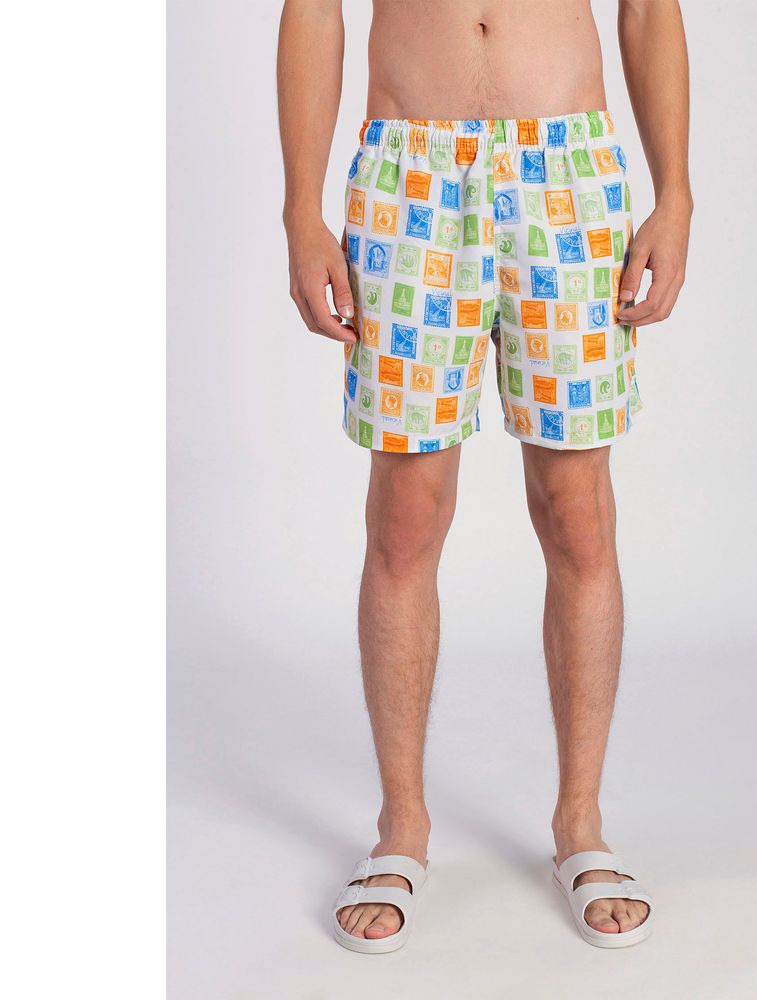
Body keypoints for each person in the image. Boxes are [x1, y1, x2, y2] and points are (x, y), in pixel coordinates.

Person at [277, 0, 691, 953]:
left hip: (567, 173)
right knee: (405, 518)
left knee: (578, 512)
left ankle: (581, 823)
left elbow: (648, 7)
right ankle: (401, 827)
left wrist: (675, 195)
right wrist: (302, 210)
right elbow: (312, 9)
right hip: (410, 180)